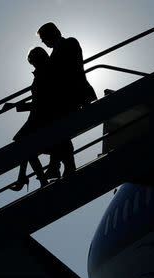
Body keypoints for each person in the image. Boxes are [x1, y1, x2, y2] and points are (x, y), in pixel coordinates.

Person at [37, 22, 97, 180]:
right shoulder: (56, 52)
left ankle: (58, 166)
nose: (43, 42)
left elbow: (72, 70)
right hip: (66, 98)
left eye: (44, 38)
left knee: (58, 128)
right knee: (59, 130)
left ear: (53, 33)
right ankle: (58, 166)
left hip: (75, 95)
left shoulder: (69, 43)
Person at [5, 47, 52, 191]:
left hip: (42, 118)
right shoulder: (42, 73)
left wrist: (16, 105)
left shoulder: (46, 73)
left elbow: (43, 102)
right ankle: (25, 178)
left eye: (33, 61)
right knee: (24, 146)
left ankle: (25, 178)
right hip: (38, 117)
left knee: (24, 146)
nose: (32, 64)